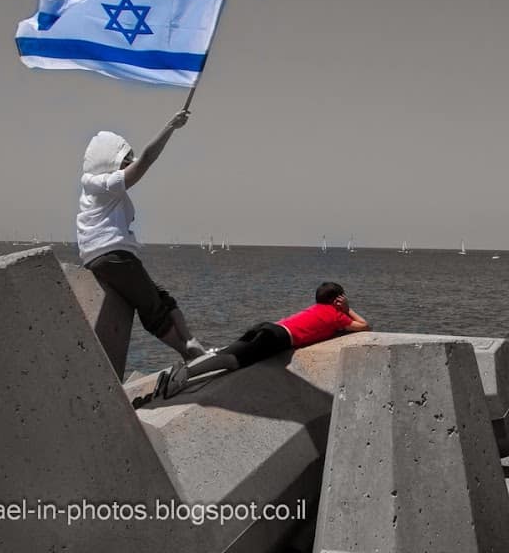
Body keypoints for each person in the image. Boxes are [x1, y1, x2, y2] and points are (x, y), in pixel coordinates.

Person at [77, 109, 209, 361]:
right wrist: (170, 127)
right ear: (109, 161)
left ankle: (192, 342)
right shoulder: (104, 185)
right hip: (114, 255)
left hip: (98, 259)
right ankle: (188, 353)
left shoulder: (93, 190)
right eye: (125, 158)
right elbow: (146, 160)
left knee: (159, 295)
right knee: (152, 308)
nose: (130, 162)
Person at [153, 281, 369, 401]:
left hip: (269, 327)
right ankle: (184, 374)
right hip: (278, 338)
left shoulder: (315, 309)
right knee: (231, 361)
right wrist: (348, 309)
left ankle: (183, 371)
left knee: (228, 352)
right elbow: (365, 327)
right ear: (337, 300)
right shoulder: (335, 315)